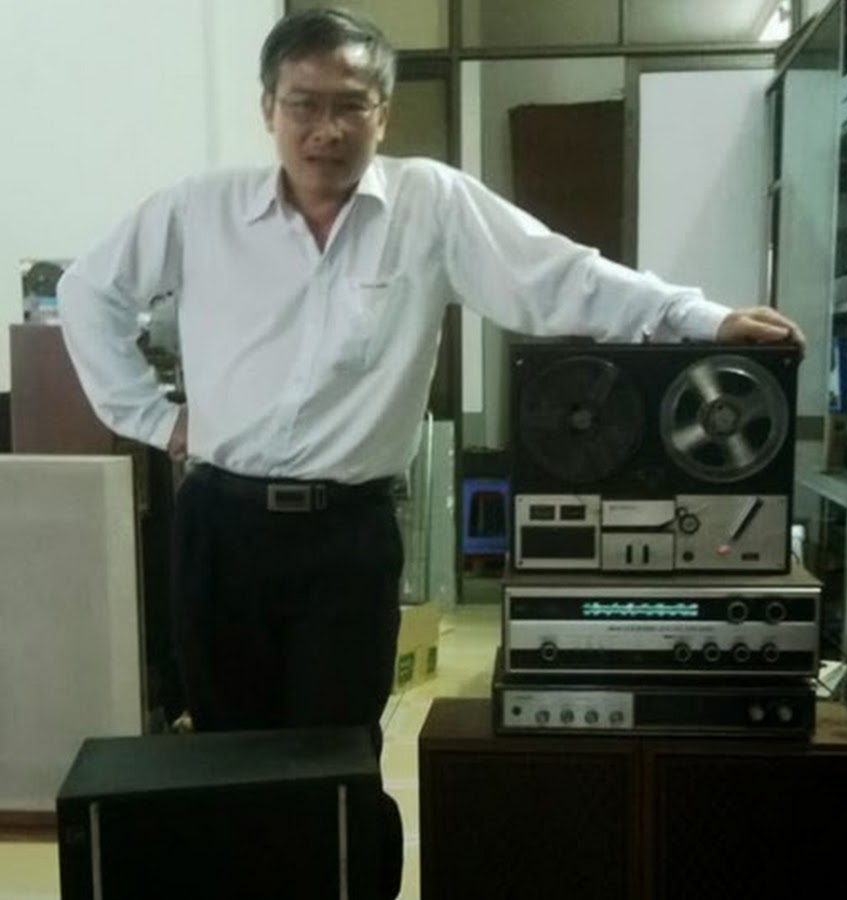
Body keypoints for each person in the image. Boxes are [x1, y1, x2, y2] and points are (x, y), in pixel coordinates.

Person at [57, 7, 805, 898]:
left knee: (341, 756)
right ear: (268, 109)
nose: (326, 129)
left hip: (346, 539)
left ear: (383, 112)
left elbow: (561, 274)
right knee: (225, 759)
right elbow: (88, 292)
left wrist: (700, 318)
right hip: (220, 525)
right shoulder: (200, 209)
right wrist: (154, 418)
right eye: (303, 105)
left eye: (351, 105)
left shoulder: (430, 205)